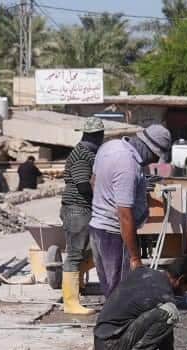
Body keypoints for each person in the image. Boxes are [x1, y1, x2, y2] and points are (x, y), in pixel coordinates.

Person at [89, 124, 172, 295]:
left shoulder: (109, 147)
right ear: (150, 149)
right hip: (114, 235)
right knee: (121, 293)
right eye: (155, 156)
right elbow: (125, 215)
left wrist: (104, 205)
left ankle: (111, 311)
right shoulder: (128, 165)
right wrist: (135, 258)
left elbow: (93, 182)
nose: (153, 161)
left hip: (98, 228)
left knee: (110, 289)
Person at [93, 255, 187, 350]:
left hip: (103, 345)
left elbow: (164, 332)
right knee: (170, 313)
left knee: (166, 314)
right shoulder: (162, 293)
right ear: (181, 280)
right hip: (112, 348)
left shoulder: (146, 273)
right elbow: (165, 329)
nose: (185, 294)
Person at [57, 117, 105, 315]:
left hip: (82, 208)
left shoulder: (89, 153)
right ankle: (70, 303)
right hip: (77, 209)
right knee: (75, 255)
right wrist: (101, 198)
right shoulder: (81, 154)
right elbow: (83, 185)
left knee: (90, 251)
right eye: (101, 136)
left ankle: (76, 289)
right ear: (96, 136)